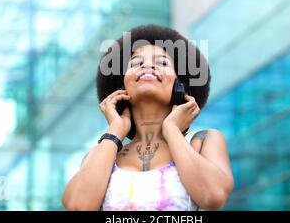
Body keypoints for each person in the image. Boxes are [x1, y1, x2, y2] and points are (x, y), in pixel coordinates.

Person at [62, 24, 234, 211]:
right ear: (122, 87)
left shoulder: (203, 141)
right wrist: (115, 131)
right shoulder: (102, 153)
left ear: (180, 86)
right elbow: (78, 206)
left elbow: (213, 196)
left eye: (162, 62)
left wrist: (172, 130)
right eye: (136, 63)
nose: (148, 66)